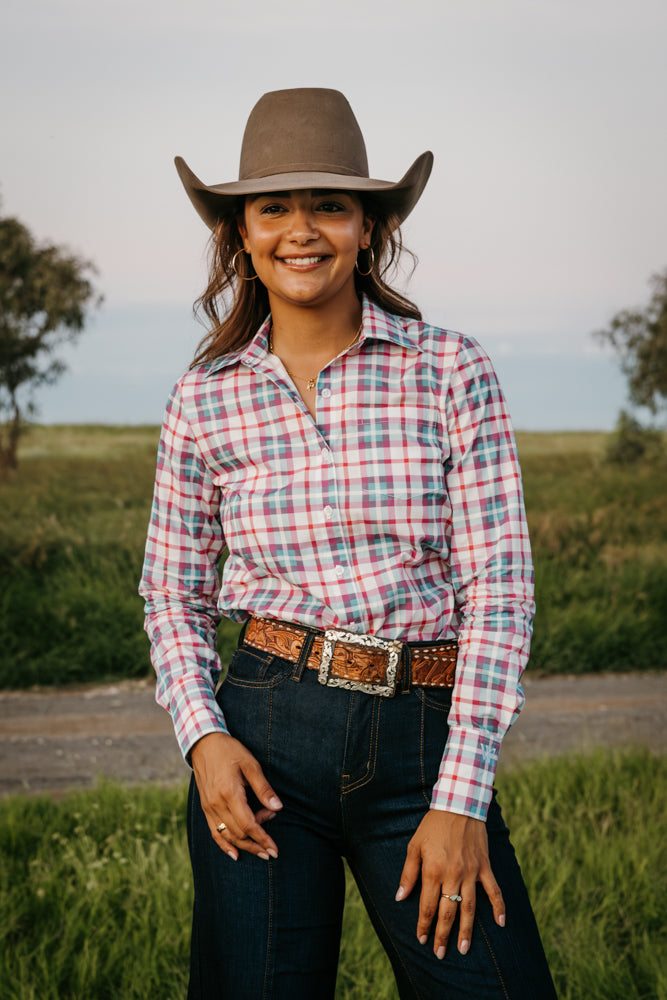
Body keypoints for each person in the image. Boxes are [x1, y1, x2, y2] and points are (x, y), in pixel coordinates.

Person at [140, 87, 557, 999]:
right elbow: (170, 592)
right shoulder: (204, 396)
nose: (302, 229)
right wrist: (203, 738)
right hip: (261, 735)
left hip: (421, 739)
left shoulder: (449, 369)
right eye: (274, 207)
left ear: (368, 227)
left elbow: (500, 593)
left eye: (330, 204)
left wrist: (460, 796)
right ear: (240, 233)